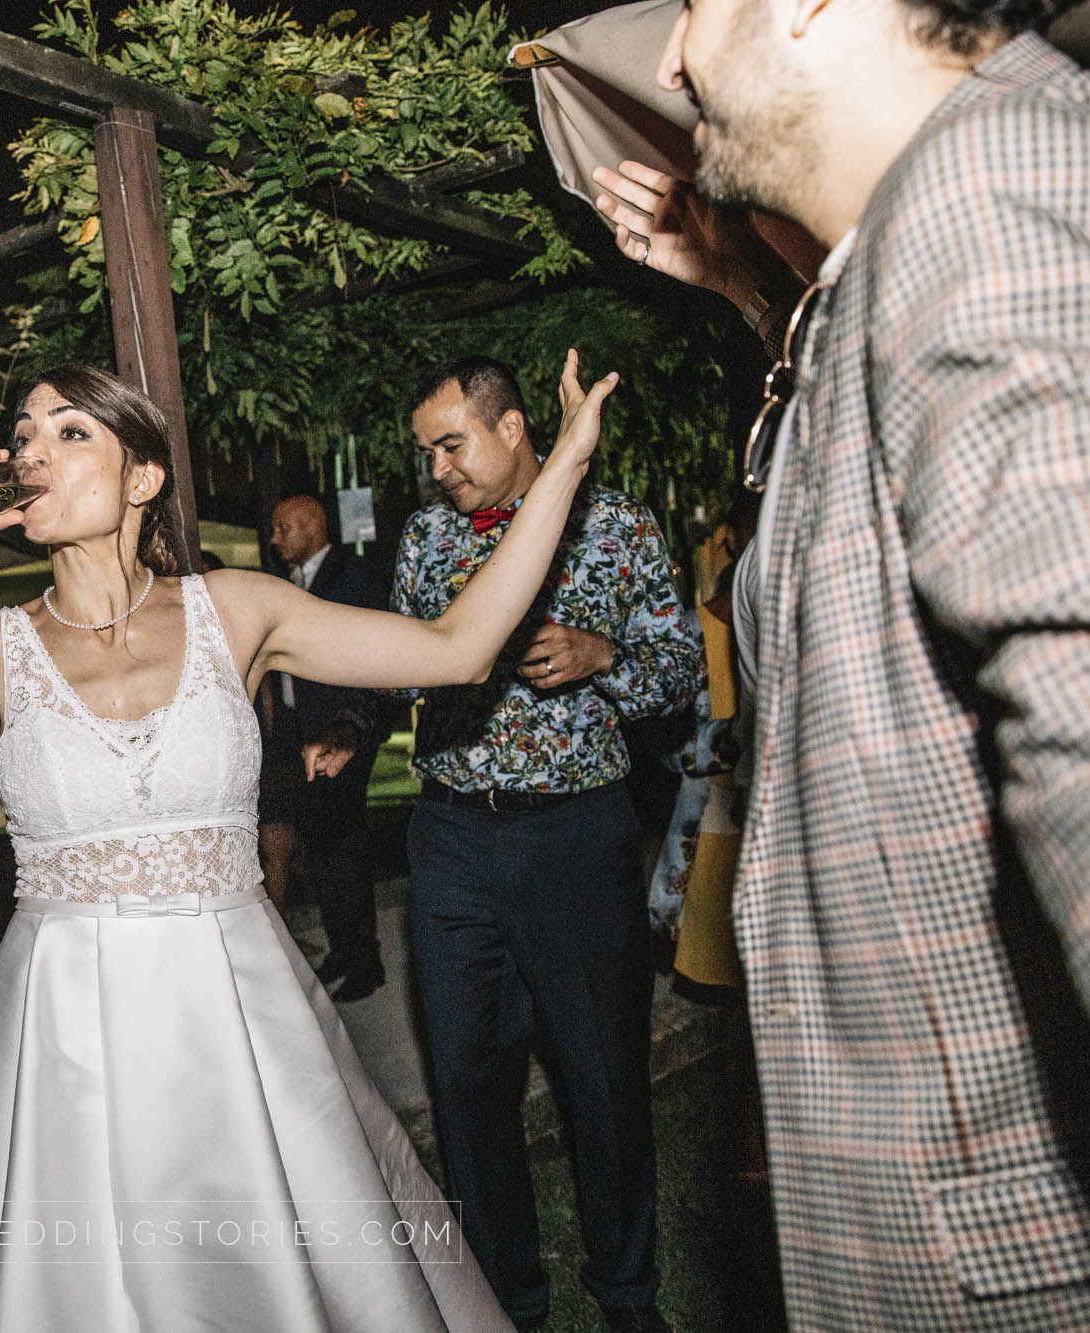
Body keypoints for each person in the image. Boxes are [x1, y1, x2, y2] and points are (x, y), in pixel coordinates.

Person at [0, 355, 619, 1329]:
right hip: (57, 1042)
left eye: (68, 432)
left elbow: (457, 648)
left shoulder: (236, 607)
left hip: (235, 1025)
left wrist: (565, 462)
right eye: (22, 434)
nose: (31, 451)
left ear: (141, 478)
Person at [589, 0, 1090, 1324]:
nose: (675, 62)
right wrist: (750, 292)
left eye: (690, 5)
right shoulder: (912, 244)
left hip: (1014, 1252)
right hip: (934, 1209)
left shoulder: (999, 182)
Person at [307, 356, 700, 1331]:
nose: (436, 467)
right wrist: (355, 728)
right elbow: (399, 662)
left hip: (575, 833)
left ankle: (625, 1290)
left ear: (515, 427)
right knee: (466, 1078)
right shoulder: (426, 535)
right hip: (448, 839)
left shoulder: (614, 529)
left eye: (452, 444)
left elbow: (676, 667)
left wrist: (603, 655)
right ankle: (502, 1298)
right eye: (426, 451)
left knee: (599, 1072)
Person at [262, 493, 391, 1000]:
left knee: (343, 849)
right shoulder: (292, 583)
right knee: (321, 849)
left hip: (341, 733)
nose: (274, 540)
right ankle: (345, 948)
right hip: (302, 732)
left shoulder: (351, 575)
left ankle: (366, 963)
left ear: (312, 527)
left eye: (282, 528)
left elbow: (371, 655)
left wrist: (349, 730)